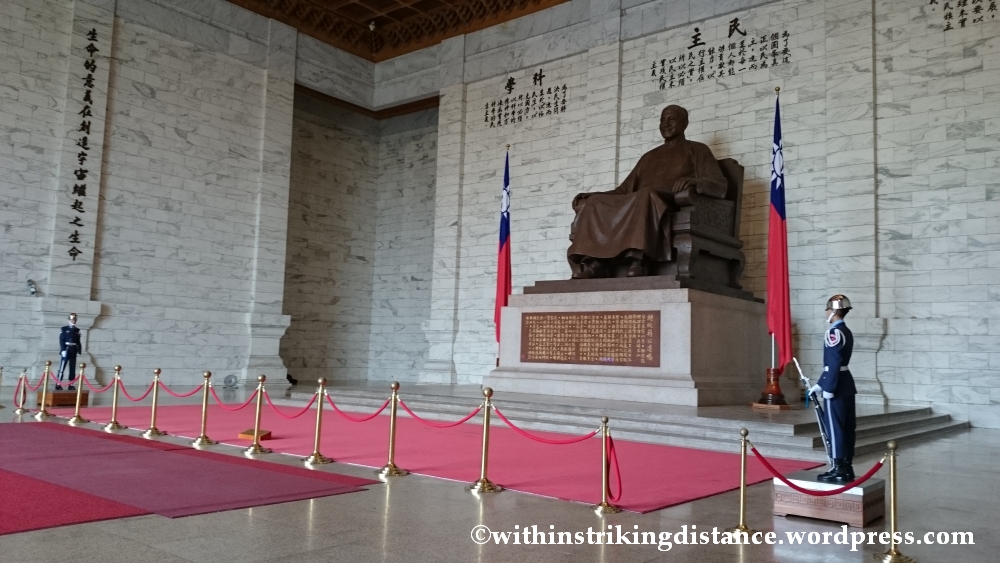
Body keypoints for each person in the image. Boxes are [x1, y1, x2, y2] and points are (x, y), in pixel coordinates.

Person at [568, 105, 728, 278]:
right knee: (595, 202)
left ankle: (638, 261)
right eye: (662, 120)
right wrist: (597, 195)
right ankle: (595, 264)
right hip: (642, 200)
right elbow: (624, 189)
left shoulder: (697, 150)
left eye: (671, 119)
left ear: (684, 123)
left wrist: (694, 182)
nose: (665, 124)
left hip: (670, 200)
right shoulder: (649, 156)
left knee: (646, 194)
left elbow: (719, 184)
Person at [810, 295, 857, 483]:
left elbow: (834, 363)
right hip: (845, 383)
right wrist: (820, 384)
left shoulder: (834, 333)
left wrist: (826, 386)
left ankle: (838, 468)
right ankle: (847, 465)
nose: (826, 312)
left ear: (835, 311)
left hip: (836, 385)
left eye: (828, 309)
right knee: (847, 427)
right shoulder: (846, 331)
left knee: (834, 427)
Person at [56, 313, 82, 391]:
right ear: (69, 320)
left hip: (73, 349)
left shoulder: (77, 330)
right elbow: (61, 340)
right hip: (66, 349)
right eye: (71, 319)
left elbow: (78, 342)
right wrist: (63, 350)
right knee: (62, 367)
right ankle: (58, 383)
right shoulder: (64, 329)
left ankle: (71, 384)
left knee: (72, 368)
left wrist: (79, 350)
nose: (73, 321)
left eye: (74, 320)